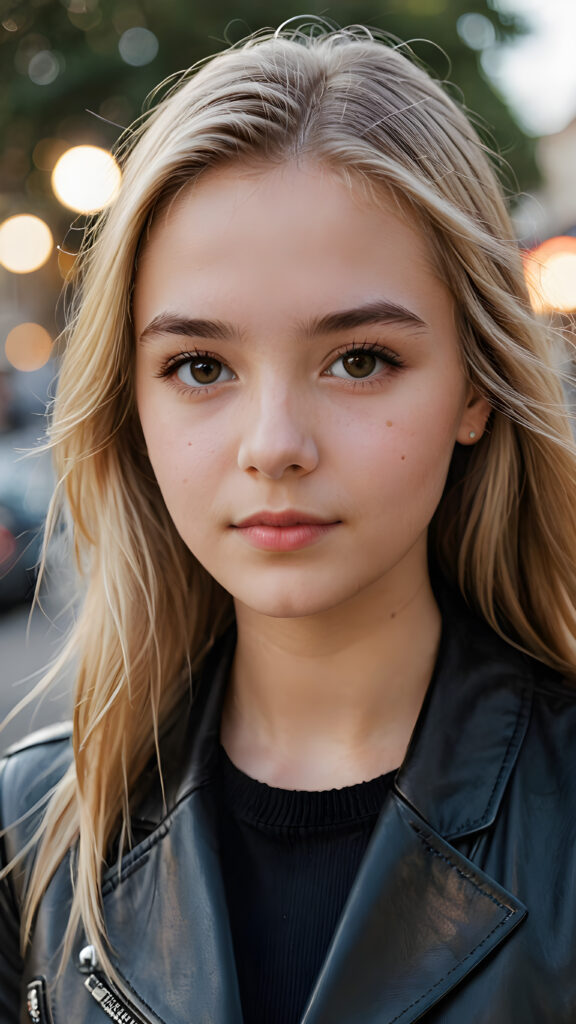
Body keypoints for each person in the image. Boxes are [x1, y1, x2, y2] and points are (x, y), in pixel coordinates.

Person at [1, 21, 576, 1024]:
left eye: (359, 358)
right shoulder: (27, 838)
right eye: (201, 366)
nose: (274, 444)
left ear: (477, 386)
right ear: (131, 404)